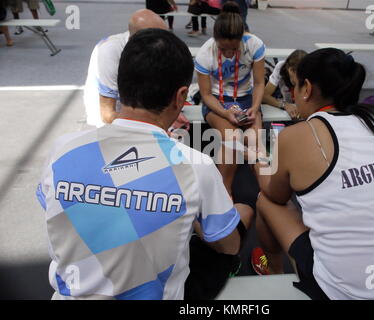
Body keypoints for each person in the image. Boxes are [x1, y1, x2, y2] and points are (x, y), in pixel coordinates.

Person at [36, 28, 246, 300]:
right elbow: (228, 246)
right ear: (181, 95)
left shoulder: (61, 150)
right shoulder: (195, 166)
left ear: (120, 85)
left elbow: (65, 209)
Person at [250, 48, 374, 299]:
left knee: (265, 202)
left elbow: (274, 194)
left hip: (352, 293)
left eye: (296, 87)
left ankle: (273, 273)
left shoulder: (298, 135)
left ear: (307, 88)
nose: (294, 94)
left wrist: (258, 158)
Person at [195, 1, 265, 196]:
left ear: (242, 38)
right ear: (215, 39)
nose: (228, 53)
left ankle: (266, 193)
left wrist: (255, 107)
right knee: (232, 138)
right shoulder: (204, 53)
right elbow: (206, 94)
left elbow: (259, 83)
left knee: (256, 142)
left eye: (233, 49)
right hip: (217, 101)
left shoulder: (254, 45)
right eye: (223, 48)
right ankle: (224, 195)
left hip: (246, 99)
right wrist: (225, 112)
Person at [83, 9, 189, 131]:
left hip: (139, 111)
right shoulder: (109, 51)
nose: (163, 44)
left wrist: (170, 115)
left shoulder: (157, 47)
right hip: (111, 118)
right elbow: (107, 114)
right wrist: (154, 127)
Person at [262, 49, 307, 119]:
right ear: (290, 70)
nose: (301, 80)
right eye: (300, 77)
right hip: (286, 102)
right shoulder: (281, 66)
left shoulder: (310, 70)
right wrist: (285, 105)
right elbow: (264, 96)